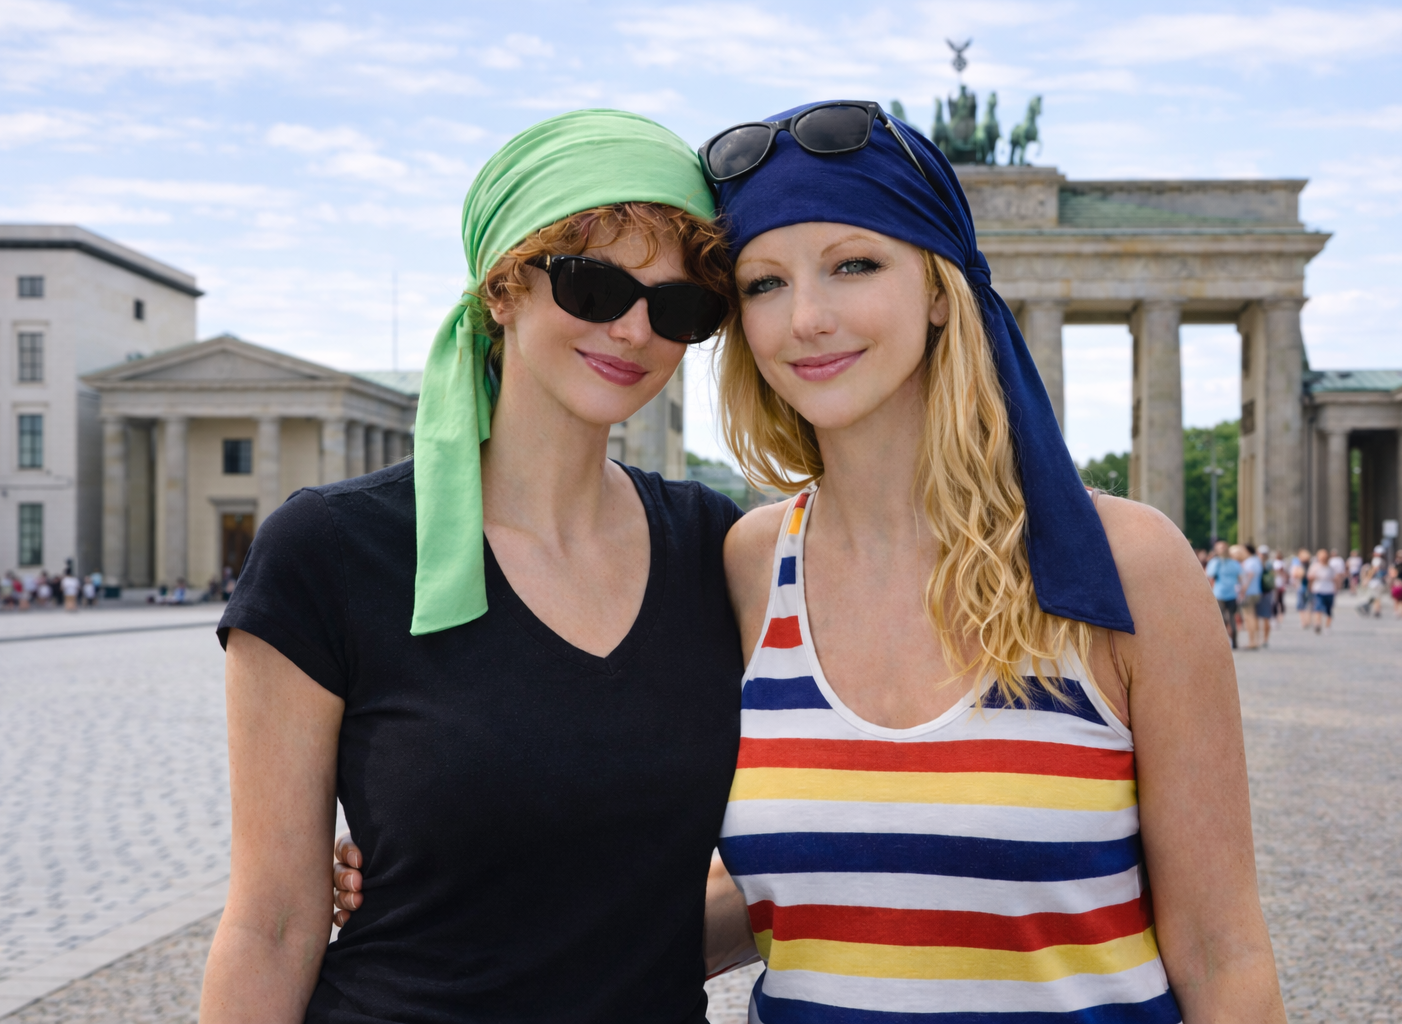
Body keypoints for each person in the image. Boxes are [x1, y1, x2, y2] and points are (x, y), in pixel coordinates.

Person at [337, 99, 1288, 1022]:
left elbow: (1222, 952)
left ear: (942, 290)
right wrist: (452, 870)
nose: (807, 319)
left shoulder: (1129, 566)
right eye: (765, 283)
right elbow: (767, 888)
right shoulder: (746, 565)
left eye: (854, 264)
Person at [201, 110, 746, 1022]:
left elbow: (704, 904)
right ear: (503, 288)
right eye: (593, 284)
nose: (635, 331)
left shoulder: (712, 547)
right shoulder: (331, 551)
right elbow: (272, 924)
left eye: (681, 306)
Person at [1207, 539, 1242, 648]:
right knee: (1223, 619)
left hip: (1229, 593)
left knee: (1230, 618)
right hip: (1220, 593)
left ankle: (1233, 641)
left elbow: (1240, 577)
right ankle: (1226, 641)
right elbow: (1210, 575)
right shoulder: (1216, 562)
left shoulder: (1231, 562)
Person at [1237, 542, 1263, 649]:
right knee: (1253, 616)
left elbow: (1249, 575)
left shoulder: (1250, 562)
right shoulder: (1257, 560)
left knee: (1248, 617)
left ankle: (1252, 641)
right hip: (1256, 591)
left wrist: (1243, 589)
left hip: (1249, 592)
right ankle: (1256, 640)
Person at [1307, 548, 1337, 634]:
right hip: (1318, 590)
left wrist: (1336, 588)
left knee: (1328, 610)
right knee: (1318, 608)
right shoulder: (1315, 566)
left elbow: (1335, 578)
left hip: (1329, 590)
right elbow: (1309, 577)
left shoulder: (1330, 567)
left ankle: (1327, 626)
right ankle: (1318, 623)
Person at [1291, 548, 1312, 628]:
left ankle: (1303, 622)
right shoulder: (1311, 564)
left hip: (1301, 586)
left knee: (1301, 606)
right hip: (1310, 587)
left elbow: (1295, 575)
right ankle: (1308, 621)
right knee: (1308, 605)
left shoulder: (1299, 564)